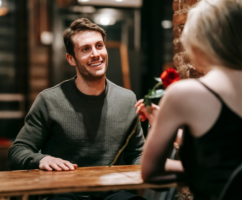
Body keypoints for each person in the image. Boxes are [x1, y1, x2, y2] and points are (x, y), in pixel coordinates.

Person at [8, 18, 145, 200]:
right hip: (63, 192)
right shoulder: (49, 100)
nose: (95, 54)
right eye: (85, 49)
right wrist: (42, 159)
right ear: (71, 59)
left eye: (99, 46)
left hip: (112, 192)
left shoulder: (127, 99)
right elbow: (17, 150)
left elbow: (137, 153)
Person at [136, 0, 242, 199]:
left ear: (200, 42)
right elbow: (226, 144)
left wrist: (209, 173)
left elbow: (151, 171)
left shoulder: (185, 93)